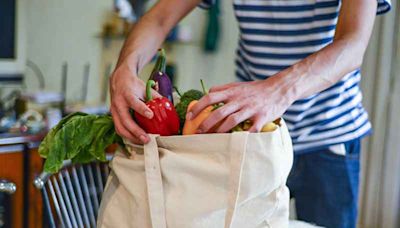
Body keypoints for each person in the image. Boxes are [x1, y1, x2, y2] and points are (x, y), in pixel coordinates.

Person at [109, 0, 391, 227]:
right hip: (249, 139)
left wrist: (276, 91)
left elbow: (353, 43)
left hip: (328, 135)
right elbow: (160, 18)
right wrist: (125, 67)